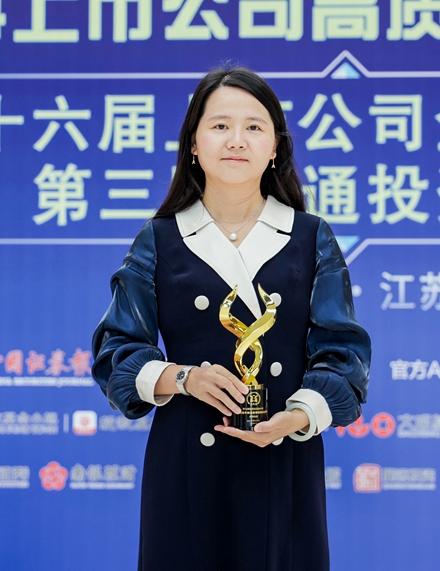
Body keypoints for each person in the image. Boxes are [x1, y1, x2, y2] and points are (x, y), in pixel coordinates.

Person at [92, 65, 371, 571]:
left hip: (284, 456)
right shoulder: (159, 238)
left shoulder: (311, 236)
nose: (236, 140)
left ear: (275, 147)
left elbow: (344, 354)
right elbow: (116, 353)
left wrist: (298, 417)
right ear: (193, 145)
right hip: (186, 462)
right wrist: (184, 378)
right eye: (220, 125)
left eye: (254, 127)